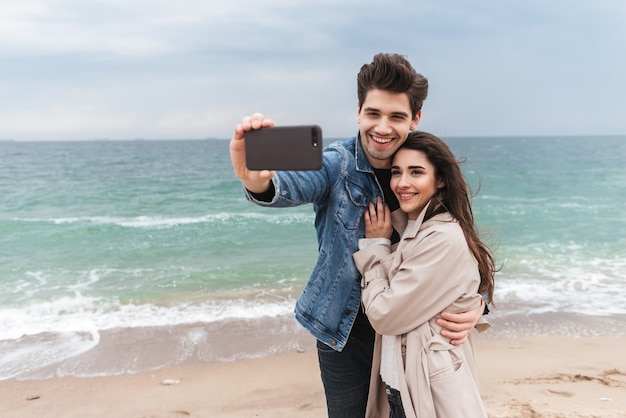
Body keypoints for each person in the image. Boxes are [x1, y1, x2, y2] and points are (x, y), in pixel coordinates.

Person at [229, 53, 486, 417]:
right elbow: (290, 184)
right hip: (345, 331)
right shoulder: (337, 163)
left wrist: (478, 302)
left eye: (397, 116)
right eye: (373, 114)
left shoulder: (425, 168)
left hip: (410, 332)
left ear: (415, 118)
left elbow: (461, 246)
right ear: (358, 112)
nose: (383, 127)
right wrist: (256, 182)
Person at [353, 131, 496, 417]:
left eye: (416, 172)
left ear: (440, 179)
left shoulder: (442, 238)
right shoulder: (415, 230)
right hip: (402, 386)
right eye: (396, 172)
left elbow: (384, 314)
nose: (402, 183)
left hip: (428, 392)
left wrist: (375, 250)